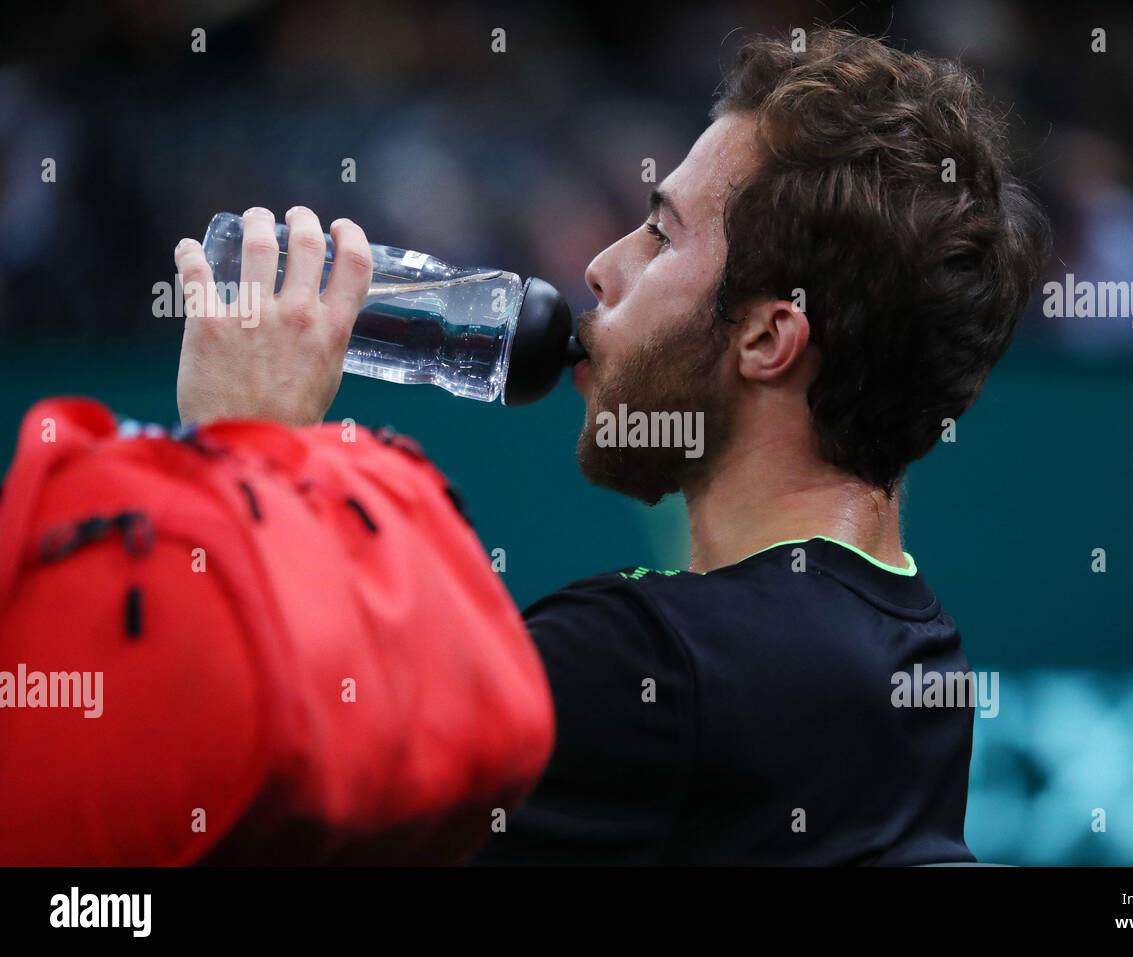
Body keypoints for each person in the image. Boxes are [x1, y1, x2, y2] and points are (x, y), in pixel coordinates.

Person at [171, 27, 1049, 865]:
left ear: (768, 339)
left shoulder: (648, 668)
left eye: (662, 236)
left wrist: (240, 450)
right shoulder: (919, 646)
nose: (602, 267)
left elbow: (237, 805)